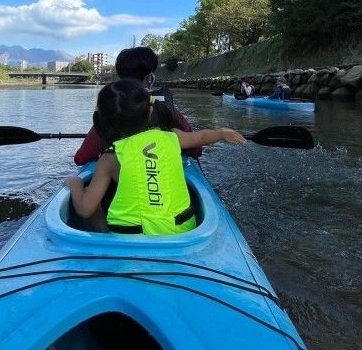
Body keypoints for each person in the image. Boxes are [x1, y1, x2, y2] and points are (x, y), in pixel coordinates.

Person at [65, 79, 246, 234]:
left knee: (91, 196)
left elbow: (85, 209)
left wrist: (75, 183)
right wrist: (222, 133)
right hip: (181, 231)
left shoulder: (110, 158)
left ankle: (103, 237)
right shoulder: (172, 137)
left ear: (104, 121)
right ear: (150, 110)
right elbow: (201, 137)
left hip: (132, 239)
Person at [73, 47, 201, 165]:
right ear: (149, 77)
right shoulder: (164, 109)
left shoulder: (109, 111)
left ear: (120, 77)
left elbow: (81, 158)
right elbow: (196, 150)